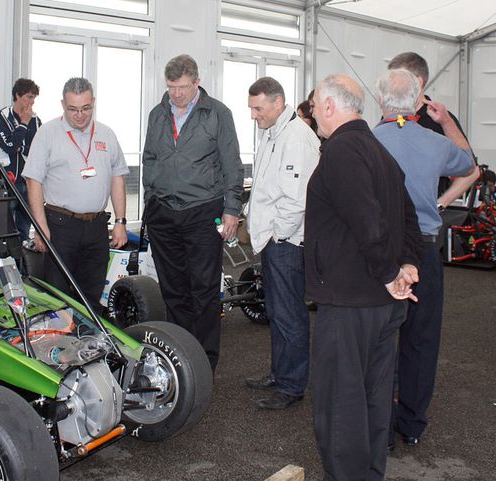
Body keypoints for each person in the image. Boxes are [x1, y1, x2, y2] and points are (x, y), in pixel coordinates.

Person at [306, 74, 423, 481]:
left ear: (329, 106)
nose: (313, 114)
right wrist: (408, 264)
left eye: (315, 106)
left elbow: (366, 218)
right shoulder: (378, 150)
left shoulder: (341, 150)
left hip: (351, 303)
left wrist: (393, 271)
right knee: (373, 399)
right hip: (381, 305)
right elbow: (409, 217)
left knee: (341, 404)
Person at [373, 68, 475, 449]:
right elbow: (469, 164)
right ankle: (412, 423)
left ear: (380, 101)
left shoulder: (368, 141)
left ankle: (380, 428)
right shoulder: (434, 143)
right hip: (425, 250)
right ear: (418, 102)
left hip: (382, 251)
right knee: (421, 338)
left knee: (380, 339)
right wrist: (446, 121)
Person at [142, 54, 244, 371]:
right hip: (163, 213)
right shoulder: (157, 114)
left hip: (202, 212)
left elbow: (232, 165)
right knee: (173, 289)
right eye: (171, 87)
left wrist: (232, 210)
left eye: (183, 87)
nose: (176, 94)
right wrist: (149, 200)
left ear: (197, 82)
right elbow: (149, 159)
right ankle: (180, 358)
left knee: (203, 289)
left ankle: (204, 362)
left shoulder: (218, 114)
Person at [244, 77, 319, 410]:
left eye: (258, 108)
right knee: (276, 311)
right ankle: (280, 373)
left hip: (286, 242)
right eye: (251, 108)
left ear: (278, 103)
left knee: (289, 314)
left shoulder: (297, 138)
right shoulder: (273, 132)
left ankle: (291, 385)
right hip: (272, 240)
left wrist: (278, 234)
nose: (253, 115)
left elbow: (296, 199)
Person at [23, 77, 128, 311]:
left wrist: (120, 222)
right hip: (60, 226)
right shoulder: (47, 133)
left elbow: (117, 177)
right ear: (63, 104)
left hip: (96, 226)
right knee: (57, 295)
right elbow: (33, 181)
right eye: (72, 109)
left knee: (91, 293)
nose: (80, 115)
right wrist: (40, 227)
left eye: (85, 108)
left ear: (94, 103)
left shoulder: (106, 134)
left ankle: (88, 333)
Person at [387, 52, 480, 206]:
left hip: (424, 217)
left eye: (396, 80)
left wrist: (440, 204)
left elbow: (472, 171)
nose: (390, 87)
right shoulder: (391, 118)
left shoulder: (441, 120)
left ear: (418, 82)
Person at [0, 78, 41, 242]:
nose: (32, 102)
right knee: (3, 231)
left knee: (23, 231)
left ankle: (23, 257)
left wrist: (21, 145)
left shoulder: (36, 120)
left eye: (34, 98)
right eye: (29, 97)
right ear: (17, 95)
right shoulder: (1, 118)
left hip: (28, 181)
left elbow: (37, 150)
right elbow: (11, 146)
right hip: (7, 181)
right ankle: (4, 258)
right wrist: (24, 124)